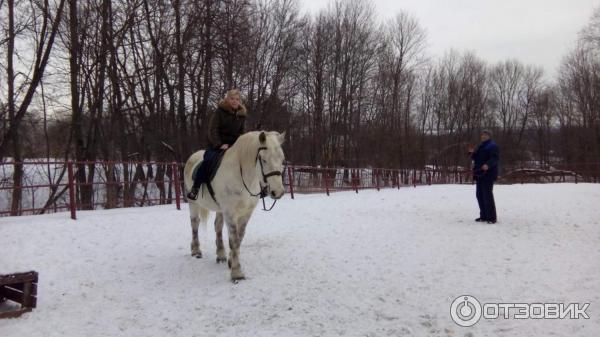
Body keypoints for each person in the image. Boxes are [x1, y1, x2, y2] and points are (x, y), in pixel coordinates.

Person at [187, 89, 247, 200]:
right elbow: (212, 130)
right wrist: (219, 144)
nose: (234, 101)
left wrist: (240, 145)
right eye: (232, 99)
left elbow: (241, 133)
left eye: (237, 99)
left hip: (234, 146)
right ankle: (195, 188)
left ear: (240, 101)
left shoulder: (242, 115)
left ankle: (257, 188)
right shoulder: (219, 112)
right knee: (208, 161)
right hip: (217, 144)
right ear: (227, 99)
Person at [468, 130, 499, 224]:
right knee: (479, 195)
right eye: (482, 135)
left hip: (488, 174)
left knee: (487, 195)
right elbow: (476, 158)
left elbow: (495, 158)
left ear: (489, 136)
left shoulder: (493, 146)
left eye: (485, 135)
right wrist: (472, 153)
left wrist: (488, 165)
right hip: (479, 174)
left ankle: (492, 217)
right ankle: (484, 216)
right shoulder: (481, 146)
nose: (483, 136)